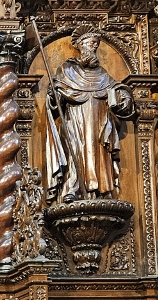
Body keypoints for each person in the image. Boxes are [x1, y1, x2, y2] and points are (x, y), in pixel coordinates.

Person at [45, 30, 135, 202]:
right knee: (76, 152)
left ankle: (102, 190)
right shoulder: (67, 70)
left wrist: (123, 97)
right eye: (91, 43)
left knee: (99, 154)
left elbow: (117, 89)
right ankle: (73, 189)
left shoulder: (102, 74)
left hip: (99, 121)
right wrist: (54, 94)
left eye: (96, 44)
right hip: (74, 120)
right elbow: (57, 96)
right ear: (81, 45)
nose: (94, 47)